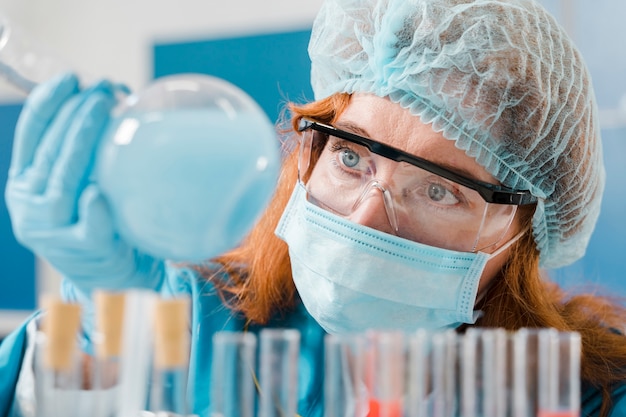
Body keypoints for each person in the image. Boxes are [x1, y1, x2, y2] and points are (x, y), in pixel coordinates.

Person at [1, 0, 626, 416]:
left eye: (439, 190)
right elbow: (57, 394)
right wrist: (96, 314)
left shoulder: (588, 394)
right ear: (309, 154)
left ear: (521, 232)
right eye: (353, 159)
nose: (363, 219)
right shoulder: (193, 319)